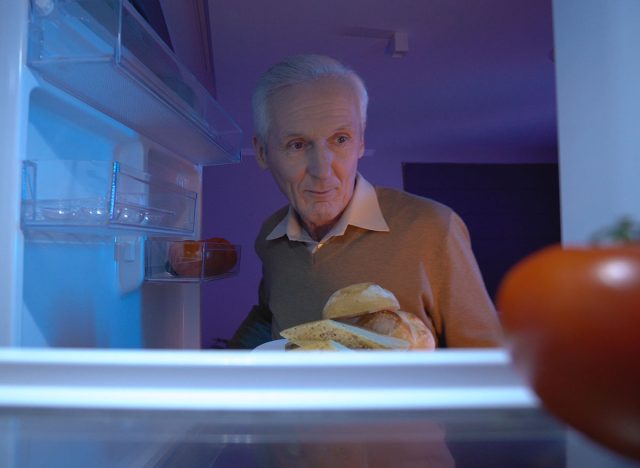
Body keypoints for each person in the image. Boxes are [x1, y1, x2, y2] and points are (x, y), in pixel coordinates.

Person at [228, 54, 502, 349]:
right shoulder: (271, 237)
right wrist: (220, 372)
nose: (322, 171)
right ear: (261, 152)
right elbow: (269, 316)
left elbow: (485, 358)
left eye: (340, 139)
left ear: (360, 142)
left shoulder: (433, 227)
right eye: (297, 144)